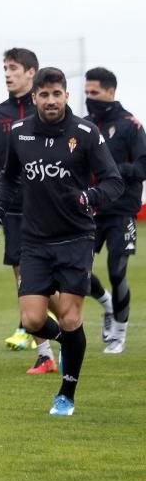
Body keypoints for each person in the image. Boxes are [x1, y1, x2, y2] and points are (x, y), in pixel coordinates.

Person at [0, 67, 123, 415]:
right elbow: (9, 178)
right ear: (35, 99)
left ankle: (66, 394)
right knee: (31, 321)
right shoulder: (19, 133)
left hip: (75, 237)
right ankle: (71, 343)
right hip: (35, 240)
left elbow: (114, 181)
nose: (50, 101)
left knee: (72, 318)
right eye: (44, 95)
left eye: (56, 94)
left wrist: (90, 197)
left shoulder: (85, 133)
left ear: (66, 96)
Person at [0, 48, 47, 367]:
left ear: (31, 72)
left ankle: (41, 328)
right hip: (14, 208)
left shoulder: (48, 110)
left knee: (49, 277)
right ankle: (31, 333)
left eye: (13, 68)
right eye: (5, 67)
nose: (7, 73)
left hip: (50, 205)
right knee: (23, 272)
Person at [84, 66, 146, 354]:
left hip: (122, 211)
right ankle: (106, 304)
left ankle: (119, 334)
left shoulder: (130, 125)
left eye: (94, 93)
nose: (89, 98)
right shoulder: (82, 126)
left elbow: (143, 166)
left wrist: (113, 171)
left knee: (117, 269)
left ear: (110, 92)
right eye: (86, 92)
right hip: (89, 209)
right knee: (76, 271)